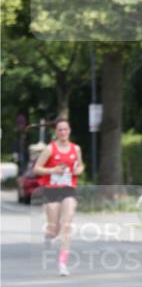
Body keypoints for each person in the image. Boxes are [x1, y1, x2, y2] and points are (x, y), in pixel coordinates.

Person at [33, 118, 85, 276]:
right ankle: (49, 236)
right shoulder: (50, 149)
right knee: (53, 229)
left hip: (68, 189)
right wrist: (52, 170)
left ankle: (62, 263)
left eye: (65, 129)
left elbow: (80, 165)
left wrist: (78, 170)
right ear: (56, 132)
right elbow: (37, 168)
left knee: (66, 225)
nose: (63, 132)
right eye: (60, 130)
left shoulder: (76, 149)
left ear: (69, 131)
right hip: (52, 191)